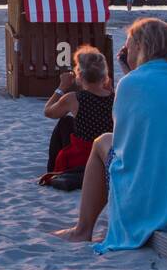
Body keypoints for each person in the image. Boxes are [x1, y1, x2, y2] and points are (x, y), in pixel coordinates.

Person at [53, 18, 167, 249]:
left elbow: (125, 151)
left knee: (103, 142)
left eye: (128, 46)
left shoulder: (130, 85)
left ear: (140, 47)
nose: (126, 50)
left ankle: (82, 230)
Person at [39, 46, 113, 183]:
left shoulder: (73, 98)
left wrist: (62, 87)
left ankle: (52, 171)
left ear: (79, 75)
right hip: (106, 154)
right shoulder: (115, 97)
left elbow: (48, 111)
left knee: (64, 122)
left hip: (82, 158)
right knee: (68, 121)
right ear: (104, 75)